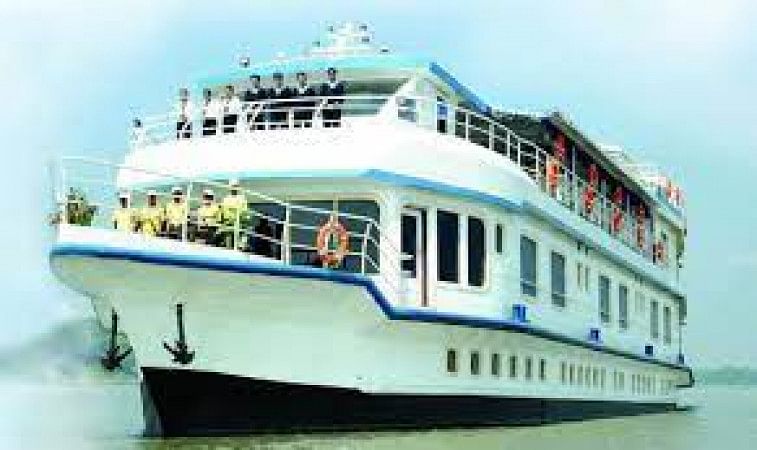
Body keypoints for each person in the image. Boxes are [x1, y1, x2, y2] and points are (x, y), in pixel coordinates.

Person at [219, 179, 249, 249]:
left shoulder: (242, 198)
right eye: (232, 186)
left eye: (235, 186)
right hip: (228, 222)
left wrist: (236, 215)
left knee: (245, 231)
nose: (234, 188)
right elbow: (223, 211)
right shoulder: (226, 199)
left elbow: (244, 210)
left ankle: (241, 247)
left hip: (239, 222)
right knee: (227, 239)